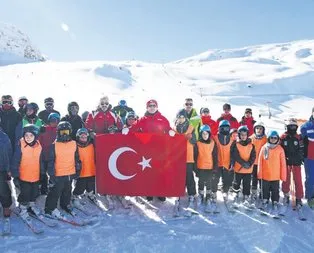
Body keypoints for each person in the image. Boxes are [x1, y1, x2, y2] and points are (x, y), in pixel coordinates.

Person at [131, 99, 174, 202]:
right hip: (147, 149)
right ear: (147, 107)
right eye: (150, 105)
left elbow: (168, 129)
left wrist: (171, 132)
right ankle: (149, 191)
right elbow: (135, 127)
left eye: (154, 105)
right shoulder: (143, 119)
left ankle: (160, 192)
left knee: (160, 171)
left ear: (157, 106)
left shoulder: (162, 119)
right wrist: (127, 130)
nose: (152, 107)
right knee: (149, 171)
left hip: (159, 150)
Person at [44, 121, 81, 218]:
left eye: (66, 132)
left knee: (67, 190)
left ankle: (65, 205)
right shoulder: (54, 145)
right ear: (58, 133)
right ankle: (50, 209)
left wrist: (78, 170)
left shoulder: (74, 143)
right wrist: (51, 174)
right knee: (55, 192)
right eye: (62, 132)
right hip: (58, 174)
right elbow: (51, 161)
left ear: (70, 132)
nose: (64, 134)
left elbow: (76, 158)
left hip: (70, 173)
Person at [11, 124, 43, 220]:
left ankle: (31, 206)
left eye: (31, 135)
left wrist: (42, 173)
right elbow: (15, 162)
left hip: (35, 176)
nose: (28, 138)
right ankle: (23, 208)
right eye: (26, 135)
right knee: (25, 193)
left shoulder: (39, 146)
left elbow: (40, 161)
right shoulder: (20, 146)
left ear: (35, 136)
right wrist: (15, 176)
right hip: (24, 176)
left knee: (34, 192)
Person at [173, 112, 197, 216]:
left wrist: (191, 138)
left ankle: (191, 194)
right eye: (179, 117)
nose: (181, 119)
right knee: (178, 176)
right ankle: (177, 193)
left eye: (183, 117)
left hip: (188, 156)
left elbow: (195, 141)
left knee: (189, 176)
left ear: (185, 118)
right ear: (177, 118)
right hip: (178, 157)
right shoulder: (173, 129)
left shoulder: (191, 128)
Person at [258, 130, 287, 215]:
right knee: (265, 189)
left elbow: (283, 164)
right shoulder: (264, 148)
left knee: (275, 190)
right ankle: (265, 200)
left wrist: (283, 175)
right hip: (265, 175)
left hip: (275, 175)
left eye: (275, 138)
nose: (273, 139)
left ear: (277, 139)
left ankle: (275, 201)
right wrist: (260, 173)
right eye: (272, 138)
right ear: (268, 138)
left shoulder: (280, 149)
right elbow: (260, 162)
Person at [194, 125, 219, 213]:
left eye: (206, 134)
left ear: (209, 134)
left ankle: (208, 196)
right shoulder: (197, 143)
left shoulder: (213, 143)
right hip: (200, 166)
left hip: (210, 167)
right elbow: (195, 156)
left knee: (209, 182)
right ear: (201, 134)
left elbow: (215, 156)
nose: (205, 135)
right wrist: (195, 168)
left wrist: (215, 168)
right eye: (203, 134)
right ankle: (200, 195)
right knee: (201, 182)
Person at [281, 118, 304, 210]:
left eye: (294, 126)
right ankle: (286, 195)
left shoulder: (299, 137)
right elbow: (280, 149)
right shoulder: (283, 137)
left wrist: (298, 158)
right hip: (286, 162)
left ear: (296, 127)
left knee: (298, 180)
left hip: (296, 163)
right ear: (287, 127)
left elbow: (302, 149)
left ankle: (299, 198)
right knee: (286, 179)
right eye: (290, 126)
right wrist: (284, 157)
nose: (292, 128)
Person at [231, 126, 256, 207]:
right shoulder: (236, 144)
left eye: (245, 135)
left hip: (248, 169)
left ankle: (246, 196)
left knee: (247, 183)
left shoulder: (251, 145)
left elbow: (253, 155)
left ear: (247, 135)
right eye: (241, 135)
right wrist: (243, 163)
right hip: (239, 168)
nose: (243, 136)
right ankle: (235, 193)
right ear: (239, 135)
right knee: (236, 182)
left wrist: (249, 163)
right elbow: (235, 155)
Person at [72, 128, 97, 208]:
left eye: (85, 137)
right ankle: (75, 196)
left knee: (91, 184)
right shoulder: (75, 146)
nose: (83, 139)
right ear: (78, 137)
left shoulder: (92, 145)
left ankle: (90, 193)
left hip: (91, 169)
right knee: (80, 186)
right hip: (81, 171)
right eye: (81, 137)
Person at [38, 113, 60, 195]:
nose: (54, 122)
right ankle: (43, 188)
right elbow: (39, 140)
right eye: (52, 120)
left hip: (54, 156)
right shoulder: (45, 129)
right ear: (49, 121)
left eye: (56, 121)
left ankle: (52, 187)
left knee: (53, 172)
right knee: (42, 172)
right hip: (43, 154)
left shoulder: (59, 130)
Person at [213, 120, 234, 202]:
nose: (225, 130)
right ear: (219, 128)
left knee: (227, 179)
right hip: (217, 163)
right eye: (223, 128)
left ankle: (225, 191)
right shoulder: (215, 138)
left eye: (226, 128)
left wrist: (232, 163)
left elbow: (233, 153)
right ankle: (213, 192)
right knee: (215, 178)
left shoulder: (232, 139)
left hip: (227, 163)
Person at [250, 121, 267, 203]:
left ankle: (262, 192)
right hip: (253, 162)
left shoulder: (266, 139)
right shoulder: (251, 138)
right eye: (257, 128)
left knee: (261, 178)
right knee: (254, 178)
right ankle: (253, 192)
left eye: (260, 128)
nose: (259, 130)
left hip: (262, 163)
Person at [300, 108, 314, 208]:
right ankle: (310, 197)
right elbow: (301, 142)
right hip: (310, 157)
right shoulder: (306, 126)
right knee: (310, 178)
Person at [0, 123, 12, 229]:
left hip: (1, 168)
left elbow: (8, 153)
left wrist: (8, 169)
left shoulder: (4, 137)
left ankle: (6, 206)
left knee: (3, 189)